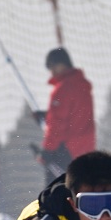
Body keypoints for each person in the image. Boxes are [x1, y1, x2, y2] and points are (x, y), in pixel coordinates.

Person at [33, 47, 95, 184]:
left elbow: (57, 123)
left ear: (64, 64)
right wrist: (48, 116)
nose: (52, 72)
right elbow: (73, 114)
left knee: (55, 192)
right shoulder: (82, 85)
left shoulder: (63, 89)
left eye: (54, 66)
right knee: (77, 190)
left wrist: (47, 150)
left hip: (66, 150)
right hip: (84, 149)